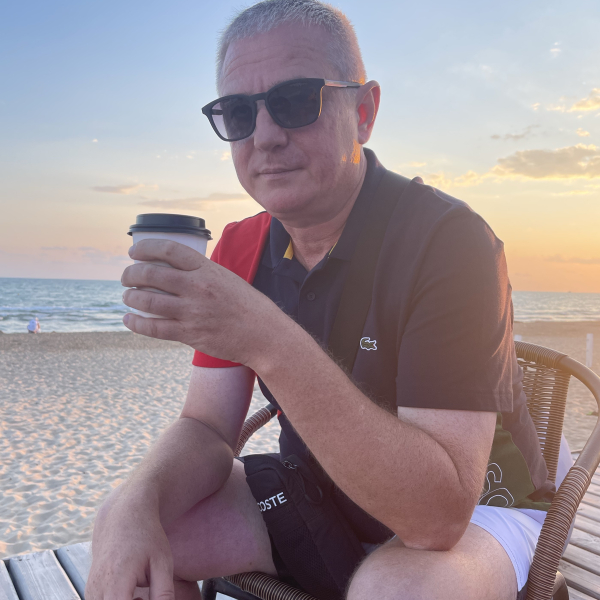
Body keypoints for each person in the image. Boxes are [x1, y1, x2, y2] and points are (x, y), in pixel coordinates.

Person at [86, 2, 556, 599]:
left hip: (481, 508)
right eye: (238, 112)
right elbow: (206, 426)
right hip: (320, 488)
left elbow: (437, 517)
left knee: (396, 591)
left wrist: (267, 337)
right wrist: (138, 502)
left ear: (364, 112)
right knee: (130, 531)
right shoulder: (240, 246)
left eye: (295, 101)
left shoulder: (448, 242)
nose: (265, 136)